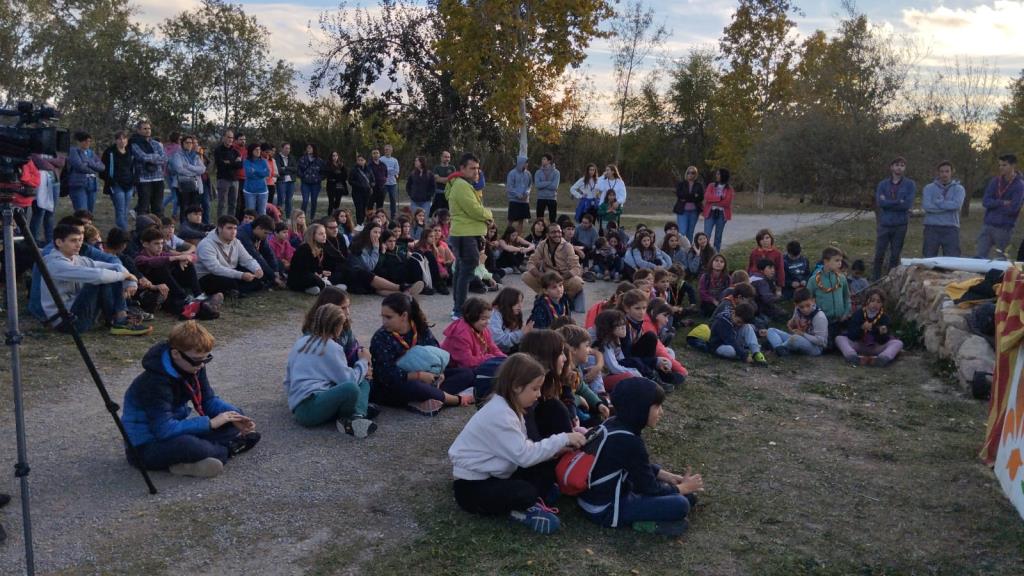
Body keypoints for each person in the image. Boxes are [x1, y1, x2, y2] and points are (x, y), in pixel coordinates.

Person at [449, 353, 585, 534]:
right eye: (535, 389)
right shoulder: (500, 414)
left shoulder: (511, 407)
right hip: (472, 486)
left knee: (544, 471)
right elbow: (524, 456)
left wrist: (557, 449)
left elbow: (522, 448)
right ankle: (519, 512)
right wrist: (563, 438)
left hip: (499, 472)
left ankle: (533, 499)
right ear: (516, 387)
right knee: (525, 492)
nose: (538, 395)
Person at [121, 321, 260, 478]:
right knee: (188, 445)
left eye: (206, 359)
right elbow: (163, 430)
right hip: (145, 447)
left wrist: (235, 415)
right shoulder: (154, 383)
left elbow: (208, 400)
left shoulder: (192, 365)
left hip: (172, 432)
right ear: (175, 354)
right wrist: (210, 423)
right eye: (197, 360)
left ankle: (188, 463)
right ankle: (229, 449)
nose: (201, 365)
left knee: (230, 423)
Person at [578, 377, 703, 536]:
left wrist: (669, 477)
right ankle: (646, 524)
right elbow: (649, 488)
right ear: (640, 409)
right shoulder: (630, 441)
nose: (661, 412)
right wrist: (682, 488)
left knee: (687, 497)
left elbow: (634, 466)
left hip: (593, 498)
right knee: (681, 504)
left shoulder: (612, 423)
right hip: (606, 509)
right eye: (657, 407)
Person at [369, 293, 474, 414]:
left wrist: (440, 373)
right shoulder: (381, 337)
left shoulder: (420, 328)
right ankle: (455, 399)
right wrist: (418, 376)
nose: (384, 322)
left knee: (466, 373)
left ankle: (430, 398)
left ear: (404, 316)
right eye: (382, 317)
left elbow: (435, 352)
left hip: (428, 378)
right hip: (398, 384)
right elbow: (385, 375)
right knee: (415, 387)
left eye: (388, 317)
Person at [39, 223, 152, 335]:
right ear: (59, 242)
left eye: (80, 240)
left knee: (110, 274)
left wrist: (131, 281)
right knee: (101, 278)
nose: (78, 244)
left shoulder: (77, 259)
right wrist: (124, 276)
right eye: (73, 240)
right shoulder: (55, 264)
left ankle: (119, 319)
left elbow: (114, 266)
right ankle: (119, 320)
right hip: (66, 322)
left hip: (76, 313)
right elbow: (99, 276)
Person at [284, 303, 377, 438]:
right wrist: (363, 362)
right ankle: (353, 417)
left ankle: (357, 416)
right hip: (311, 408)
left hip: (300, 406)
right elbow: (348, 380)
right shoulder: (330, 346)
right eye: (341, 325)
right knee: (352, 387)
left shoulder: (301, 342)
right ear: (336, 327)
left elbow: (287, 380)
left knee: (362, 382)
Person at [445, 153, 494, 319]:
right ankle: (459, 309)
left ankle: (457, 308)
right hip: (465, 234)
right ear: (462, 169)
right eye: (472, 168)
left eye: (477, 168)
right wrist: (489, 215)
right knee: (466, 269)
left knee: (461, 270)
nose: (476, 172)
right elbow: (473, 209)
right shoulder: (461, 185)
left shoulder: (465, 184)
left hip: (467, 232)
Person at [523, 223, 585, 313]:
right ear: (547, 235)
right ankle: (546, 297)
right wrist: (541, 275)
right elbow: (531, 263)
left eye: (559, 232)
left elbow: (576, 268)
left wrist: (559, 279)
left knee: (578, 282)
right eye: (553, 232)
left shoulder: (567, 246)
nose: (557, 234)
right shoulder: (542, 245)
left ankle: (564, 299)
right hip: (547, 277)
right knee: (526, 276)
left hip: (563, 279)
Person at [195, 215, 264, 296]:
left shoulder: (236, 242)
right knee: (228, 282)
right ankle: (235, 290)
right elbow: (215, 269)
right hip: (208, 276)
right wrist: (241, 275)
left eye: (235, 228)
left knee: (256, 277)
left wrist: (257, 269)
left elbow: (247, 259)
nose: (233, 232)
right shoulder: (206, 244)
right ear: (220, 228)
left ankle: (234, 291)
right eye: (229, 228)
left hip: (230, 272)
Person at [834, 288, 904, 366]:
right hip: (859, 345)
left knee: (898, 343)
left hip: (876, 347)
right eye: (872, 300)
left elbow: (884, 340)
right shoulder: (858, 314)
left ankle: (883, 358)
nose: (875, 304)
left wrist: (883, 333)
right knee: (839, 339)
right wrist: (861, 328)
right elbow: (851, 335)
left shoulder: (884, 317)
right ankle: (852, 356)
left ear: (882, 304)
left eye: (878, 302)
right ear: (867, 301)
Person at [873, 156, 916, 279]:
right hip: (885, 223)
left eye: (902, 165)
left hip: (900, 224)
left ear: (904, 168)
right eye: (897, 165)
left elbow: (907, 204)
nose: (899, 167)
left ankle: (891, 279)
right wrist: (898, 201)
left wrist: (889, 202)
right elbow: (880, 203)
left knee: (895, 255)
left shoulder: (910, 184)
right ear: (891, 167)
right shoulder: (882, 184)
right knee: (879, 254)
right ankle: (875, 279)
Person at [976, 154, 1024, 259]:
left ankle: (999, 276)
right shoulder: (995, 181)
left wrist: (994, 205)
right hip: (988, 225)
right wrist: (1002, 203)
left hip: (1004, 227)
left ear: (1013, 166)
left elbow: (1013, 208)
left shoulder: (1019, 185)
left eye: (1004, 165)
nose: (1001, 168)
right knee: (979, 256)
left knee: (1001, 258)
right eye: (1000, 165)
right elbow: (985, 201)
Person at [442, 296, 507, 370]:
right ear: (471, 317)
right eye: (483, 319)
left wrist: (505, 359)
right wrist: (489, 358)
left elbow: (493, 347)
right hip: (452, 368)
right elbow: (467, 362)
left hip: (473, 362)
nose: (488, 322)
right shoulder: (461, 334)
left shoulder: (481, 327)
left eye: (489, 318)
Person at [921, 160, 966, 258]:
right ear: (938, 173)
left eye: (947, 171)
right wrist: (947, 207)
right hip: (931, 227)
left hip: (951, 227)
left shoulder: (959, 189)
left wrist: (939, 203)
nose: (944, 174)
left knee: (952, 259)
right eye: (941, 171)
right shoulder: (928, 188)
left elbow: (956, 206)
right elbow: (927, 206)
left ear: (952, 172)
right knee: (929, 258)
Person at [765, 287, 828, 357]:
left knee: (795, 339)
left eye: (808, 305)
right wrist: (791, 324)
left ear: (813, 301)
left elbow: (821, 341)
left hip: (816, 348)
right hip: (799, 338)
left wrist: (803, 334)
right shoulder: (797, 309)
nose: (805, 309)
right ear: (796, 305)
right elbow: (793, 324)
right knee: (771, 330)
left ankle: (778, 348)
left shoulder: (819, 316)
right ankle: (781, 350)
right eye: (801, 307)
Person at [808, 246, 851, 340]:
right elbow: (807, 300)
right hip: (823, 322)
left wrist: (846, 313)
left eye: (841, 260)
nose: (840, 263)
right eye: (837, 260)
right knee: (829, 346)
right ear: (826, 261)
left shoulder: (842, 278)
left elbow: (847, 297)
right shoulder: (813, 280)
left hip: (841, 320)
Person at [129, 120, 167, 216]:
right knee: (144, 206)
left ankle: (158, 229)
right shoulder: (134, 144)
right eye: (145, 128)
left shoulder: (156, 144)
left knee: (158, 207)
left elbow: (164, 158)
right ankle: (143, 228)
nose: (148, 130)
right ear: (138, 130)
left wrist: (150, 157)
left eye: (149, 128)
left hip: (158, 178)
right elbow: (142, 157)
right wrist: (155, 156)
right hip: (143, 179)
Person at [101, 131, 135, 231]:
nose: (122, 141)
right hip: (116, 184)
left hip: (129, 184)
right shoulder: (109, 152)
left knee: (125, 210)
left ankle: (120, 233)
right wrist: (110, 181)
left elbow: (132, 168)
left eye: (124, 138)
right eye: (119, 139)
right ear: (115, 140)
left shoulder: (130, 151)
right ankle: (125, 233)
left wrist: (133, 181)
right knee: (120, 209)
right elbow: (102, 169)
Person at [237, 215, 283, 288]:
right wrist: (273, 276)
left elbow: (269, 253)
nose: (267, 236)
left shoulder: (260, 234)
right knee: (258, 273)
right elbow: (256, 257)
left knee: (279, 263)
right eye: (266, 233)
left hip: (253, 261)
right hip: (240, 263)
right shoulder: (242, 235)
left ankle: (269, 280)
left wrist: (275, 271)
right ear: (258, 228)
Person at [67, 131, 105, 212]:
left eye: (89, 141)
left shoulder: (91, 152)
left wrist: (88, 162)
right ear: (79, 142)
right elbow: (79, 166)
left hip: (92, 184)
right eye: (85, 141)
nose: (88, 143)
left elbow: (102, 167)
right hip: (78, 184)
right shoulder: (73, 151)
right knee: (82, 210)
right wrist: (93, 170)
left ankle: (87, 224)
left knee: (90, 211)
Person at [169, 135, 206, 216]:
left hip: (196, 186)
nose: (189, 144)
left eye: (191, 143)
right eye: (187, 142)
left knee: (195, 209)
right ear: (182, 144)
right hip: (183, 185)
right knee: (184, 208)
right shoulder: (177, 155)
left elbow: (203, 169)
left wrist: (189, 167)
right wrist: (196, 172)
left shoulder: (195, 156)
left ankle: (194, 226)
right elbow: (179, 169)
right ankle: (184, 226)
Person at [490, 287, 532, 354]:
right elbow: (498, 340)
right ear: (507, 302)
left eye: (521, 302)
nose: (520, 306)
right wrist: (521, 333)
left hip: (507, 350)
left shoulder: (514, 313)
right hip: (495, 353)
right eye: (517, 302)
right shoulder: (494, 315)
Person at [702, 168, 733, 251]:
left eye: (718, 174)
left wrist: (713, 202)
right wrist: (720, 198)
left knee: (718, 237)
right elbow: (707, 197)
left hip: (722, 214)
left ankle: (716, 255)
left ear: (723, 175)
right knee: (706, 235)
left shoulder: (729, 188)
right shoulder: (711, 185)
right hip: (710, 213)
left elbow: (727, 202)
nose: (716, 175)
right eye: (717, 174)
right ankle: (704, 253)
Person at [214, 131, 243, 219]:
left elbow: (240, 165)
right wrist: (234, 162)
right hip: (223, 179)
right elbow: (221, 165)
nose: (230, 139)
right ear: (223, 138)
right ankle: (221, 223)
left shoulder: (235, 152)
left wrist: (229, 162)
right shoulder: (218, 150)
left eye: (231, 138)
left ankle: (230, 223)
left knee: (233, 204)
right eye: (228, 137)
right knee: (222, 204)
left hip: (235, 180)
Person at [674, 165, 704, 241]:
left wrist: (687, 197)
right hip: (682, 211)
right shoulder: (681, 184)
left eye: (693, 173)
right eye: (688, 172)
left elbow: (700, 197)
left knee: (690, 233)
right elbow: (679, 195)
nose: (690, 174)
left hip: (694, 211)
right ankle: (681, 250)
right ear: (686, 173)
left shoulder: (699, 185)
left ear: (696, 174)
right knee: (682, 232)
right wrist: (693, 196)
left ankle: (688, 251)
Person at [241, 143, 270, 215]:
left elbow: (267, 173)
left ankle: (261, 226)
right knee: (250, 212)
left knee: (262, 212)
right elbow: (249, 174)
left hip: (262, 190)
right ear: (251, 151)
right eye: (256, 150)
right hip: (249, 191)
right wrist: (261, 173)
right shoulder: (246, 161)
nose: (258, 151)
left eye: (259, 149)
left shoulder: (263, 161)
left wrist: (255, 171)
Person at [298, 144, 325, 220]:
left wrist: (319, 178)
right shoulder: (302, 159)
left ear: (314, 149)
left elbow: (324, 172)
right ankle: (301, 218)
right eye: (307, 148)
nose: (308, 149)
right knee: (305, 201)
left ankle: (312, 218)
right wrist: (302, 176)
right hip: (305, 183)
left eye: (310, 148)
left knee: (314, 201)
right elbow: (299, 169)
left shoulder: (319, 160)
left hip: (315, 184)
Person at [506, 155, 532, 232]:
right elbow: (510, 187)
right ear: (520, 163)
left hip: (524, 201)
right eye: (525, 163)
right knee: (511, 220)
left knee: (521, 220)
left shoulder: (528, 174)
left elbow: (530, 185)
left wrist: (527, 192)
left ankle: (518, 237)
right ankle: (507, 235)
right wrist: (518, 195)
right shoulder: (512, 173)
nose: (527, 164)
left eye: (527, 163)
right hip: (514, 200)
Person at [534, 154, 560, 222]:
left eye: (544, 159)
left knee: (552, 218)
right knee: (539, 219)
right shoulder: (538, 172)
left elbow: (554, 186)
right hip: (541, 197)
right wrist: (549, 182)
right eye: (542, 159)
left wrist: (543, 184)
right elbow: (537, 185)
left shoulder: (556, 172)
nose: (542, 161)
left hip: (552, 198)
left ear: (549, 161)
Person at [274, 142, 297, 218]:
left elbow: (295, 169)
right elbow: (279, 170)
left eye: (289, 148)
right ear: (282, 148)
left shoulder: (292, 157)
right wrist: (290, 169)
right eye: (286, 148)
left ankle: (288, 218)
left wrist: (286, 168)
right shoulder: (277, 157)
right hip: (281, 181)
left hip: (291, 181)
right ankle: (278, 217)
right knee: (281, 200)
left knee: (289, 200)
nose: (288, 150)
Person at [431, 150, 455, 216]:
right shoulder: (437, 168)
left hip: (449, 195)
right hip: (439, 194)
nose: (447, 159)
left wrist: (441, 179)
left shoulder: (452, 168)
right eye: (445, 157)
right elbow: (436, 179)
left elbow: (453, 180)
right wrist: (448, 179)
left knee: (448, 214)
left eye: (448, 157)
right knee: (438, 213)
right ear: (441, 158)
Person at [324, 150, 348, 216]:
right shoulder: (328, 165)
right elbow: (329, 175)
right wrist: (337, 175)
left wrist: (337, 176)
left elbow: (345, 176)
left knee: (337, 202)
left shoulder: (341, 165)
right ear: (331, 157)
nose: (335, 157)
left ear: (338, 156)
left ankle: (336, 216)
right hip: (331, 186)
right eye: (333, 156)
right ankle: (329, 216)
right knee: (331, 202)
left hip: (339, 186)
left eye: (336, 155)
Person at [380, 143, 400, 220]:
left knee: (393, 200)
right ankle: (380, 215)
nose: (386, 151)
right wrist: (390, 170)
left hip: (392, 184)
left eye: (388, 149)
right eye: (385, 150)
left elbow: (396, 171)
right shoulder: (381, 159)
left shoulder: (395, 160)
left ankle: (393, 216)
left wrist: (388, 170)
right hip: (383, 183)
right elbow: (381, 170)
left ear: (391, 150)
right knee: (381, 199)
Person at [369, 148, 389, 216]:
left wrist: (383, 181)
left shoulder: (383, 165)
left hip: (381, 189)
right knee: (370, 206)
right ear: (372, 155)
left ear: (379, 154)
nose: (376, 155)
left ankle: (379, 220)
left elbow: (386, 175)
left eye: (377, 153)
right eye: (374, 153)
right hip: (372, 189)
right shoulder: (369, 166)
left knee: (380, 207)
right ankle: (370, 221)